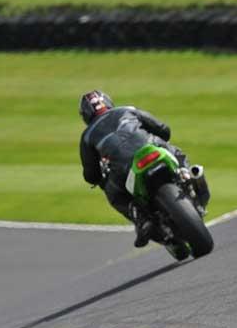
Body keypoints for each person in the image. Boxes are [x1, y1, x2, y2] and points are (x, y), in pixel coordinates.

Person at [79, 90, 189, 247]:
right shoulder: (127, 109)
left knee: (113, 194)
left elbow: (90, 174)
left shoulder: (87, 136)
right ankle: (188, 175)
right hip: (153, 148)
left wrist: (100, 179)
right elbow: (164, 129)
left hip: (124, 168)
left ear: (85, 115)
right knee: (175, 152)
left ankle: (141, 218)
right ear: (109, 102)